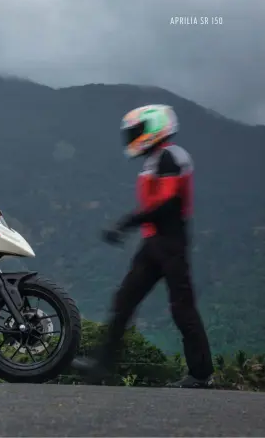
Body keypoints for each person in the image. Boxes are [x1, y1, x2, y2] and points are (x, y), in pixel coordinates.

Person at [72, 104, 214, 388]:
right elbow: (156, 205)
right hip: (153, 243)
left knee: (181, 308)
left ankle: (201, 374)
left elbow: (167, 203)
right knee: (123, 301)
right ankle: (101, 366)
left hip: (171, 242)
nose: (133, 138)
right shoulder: (156, 159)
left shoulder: (172, 156)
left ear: (155, 128)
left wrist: (125, 223)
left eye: (137, 131)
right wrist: (131, 224)